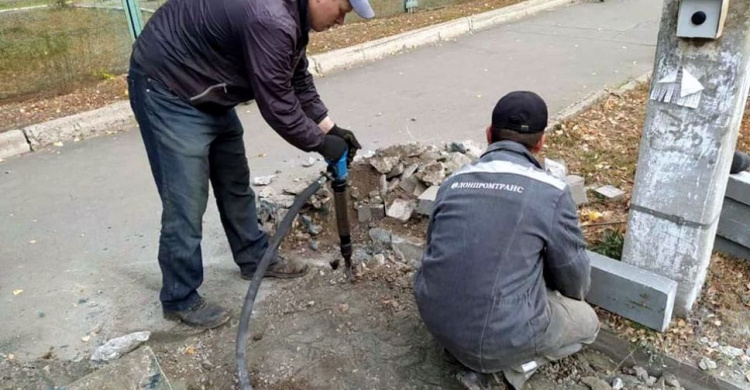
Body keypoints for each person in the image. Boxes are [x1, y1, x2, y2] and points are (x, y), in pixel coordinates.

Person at [127, 0, 373, 329]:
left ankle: (255, 258)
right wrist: (319, 143)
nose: (342, 21)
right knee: (186, 200)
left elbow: (297, 80)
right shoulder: (271, 18)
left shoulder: (293, 18)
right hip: (168, 85)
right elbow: (278, 103)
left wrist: (332, 129)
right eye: (343, 10)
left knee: (235, 183)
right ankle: (179, 296)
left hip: (209, 85)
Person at [413, 91, 600, 389]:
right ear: (540, 142)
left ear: (489, 134)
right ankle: (508, 371)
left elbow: (435, 250)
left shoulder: (453, 182)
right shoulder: (552, 192)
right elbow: (574, 278)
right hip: (500, 335)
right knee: (588, 323)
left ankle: (470, 351)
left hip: (435, 318)